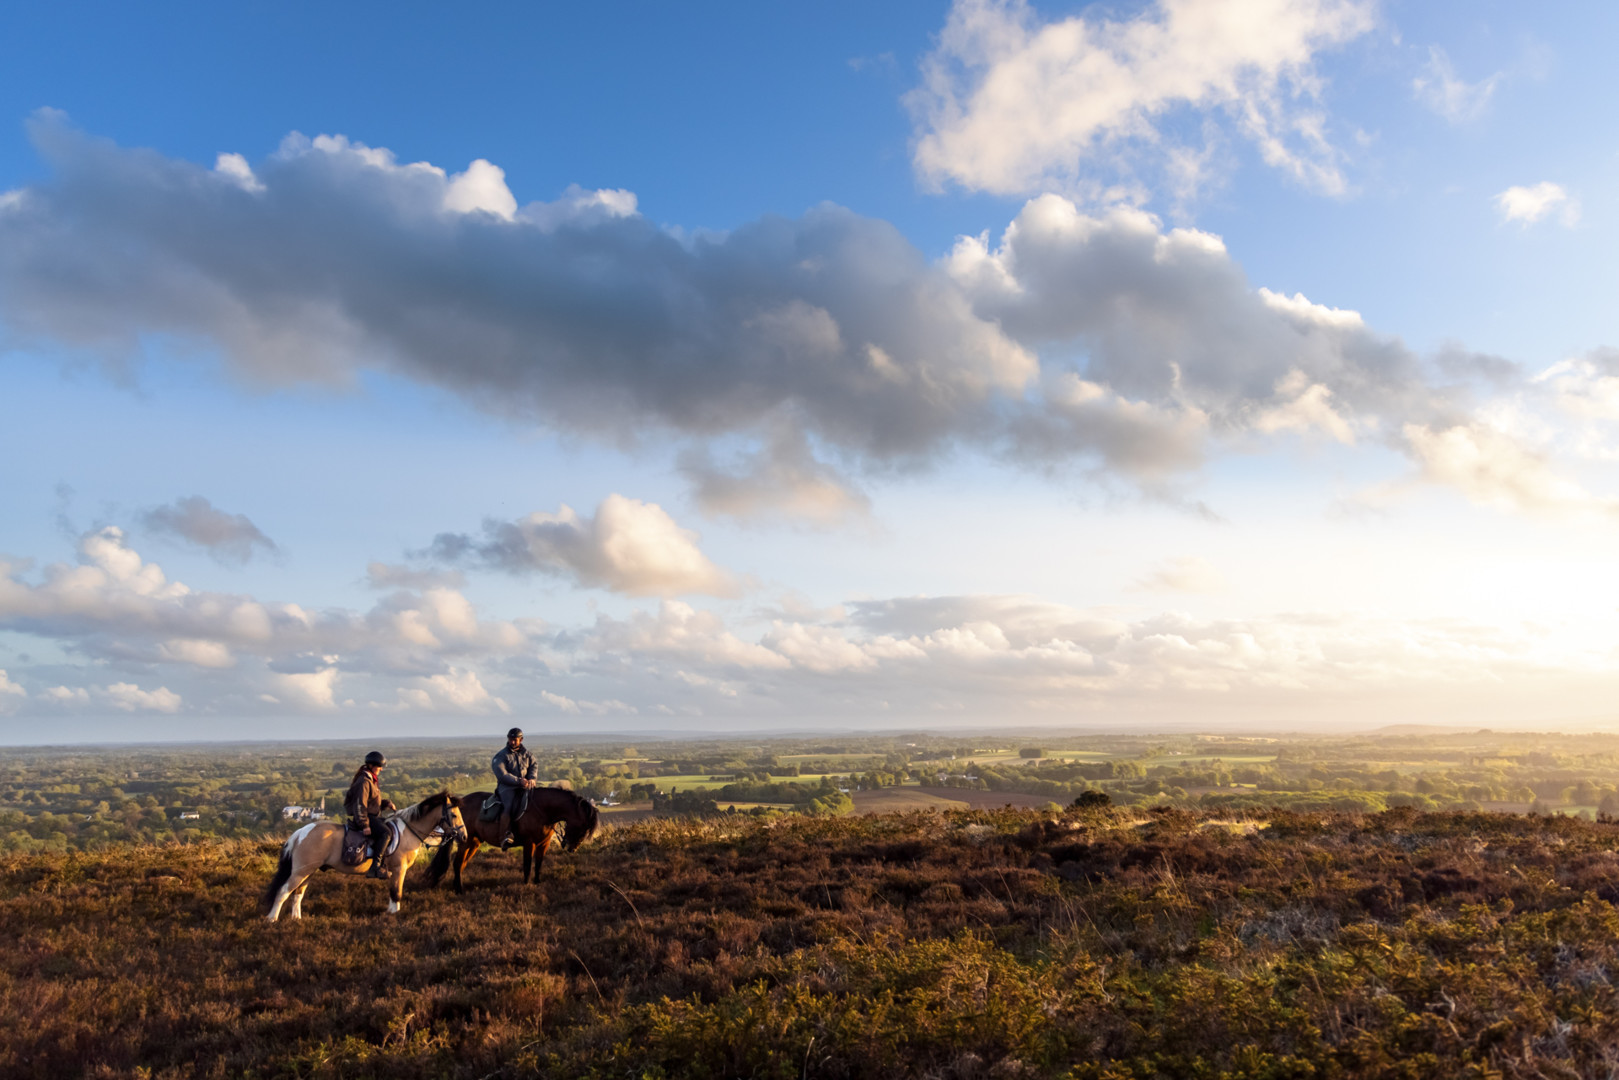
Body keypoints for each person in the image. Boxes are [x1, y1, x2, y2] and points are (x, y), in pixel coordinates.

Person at [344, 750, 390, 878]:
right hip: (366, 817)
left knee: (389, 825)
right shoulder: (364, 782)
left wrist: (386, 804)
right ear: (372, 766)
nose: (381, 769)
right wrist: (365, 825)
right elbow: (360, 805)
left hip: (371, 815)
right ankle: (375, 867)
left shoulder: (371, 780)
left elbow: (372, 802)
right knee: (386, 833)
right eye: (379, 767)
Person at [491, 727, 538, 849]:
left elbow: (533, 765)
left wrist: (532, 778)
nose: (512, 742)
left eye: (515, 740)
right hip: (507, 788)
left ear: (521, 740)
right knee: (508, 806)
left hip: (525, 786)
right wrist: (518, 781)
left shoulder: (527, 754)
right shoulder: (501, 756)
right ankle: (503, 837)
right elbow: (502, 775)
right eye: (510, 739)